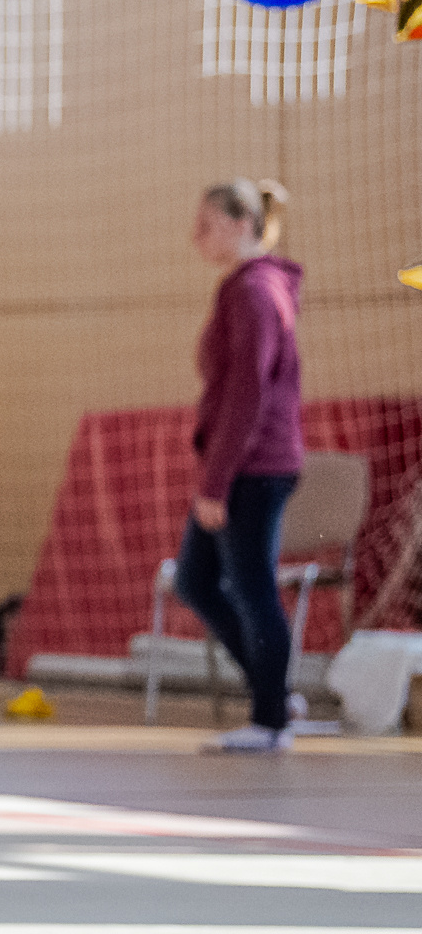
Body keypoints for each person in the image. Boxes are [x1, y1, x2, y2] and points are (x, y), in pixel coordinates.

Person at [179, 179, 305, 754]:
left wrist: (216, 482)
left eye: (206, 225)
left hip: (253, 467)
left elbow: (247, 395)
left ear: (241, 224)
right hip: (241, 465)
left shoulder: (256, 292)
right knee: (196, 581)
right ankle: (273, 691)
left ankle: (271, 720)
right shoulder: (243, 289)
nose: (196, 237)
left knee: (253, 589)